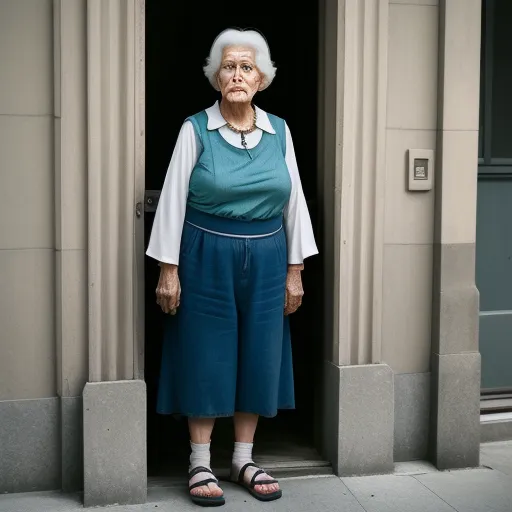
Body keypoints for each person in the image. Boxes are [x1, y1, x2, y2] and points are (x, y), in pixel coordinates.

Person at [146, 27, 318, 507]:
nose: (237, 75)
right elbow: (173, 203)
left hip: (267, 254)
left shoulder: (279, 130)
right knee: (206, 352)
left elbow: (295, 204)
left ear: (261, 78)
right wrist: (168, 268)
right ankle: (199, 461)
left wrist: (295, 270)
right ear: (215, 76)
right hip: (206, 254)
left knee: (258, 352)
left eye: (246, 67)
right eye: (228, 66)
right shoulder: (195, 129)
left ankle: (243, 457)